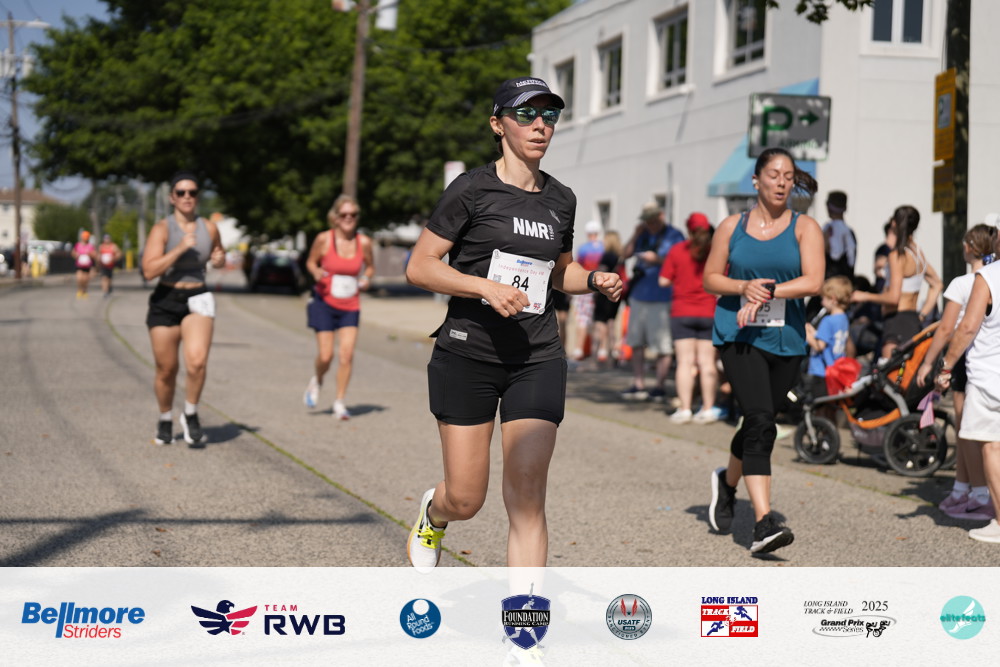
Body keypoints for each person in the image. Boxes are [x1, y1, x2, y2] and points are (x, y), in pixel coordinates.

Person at [403, 76, 622, 572]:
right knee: (465, 498)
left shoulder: (561, 199)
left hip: (536, 357)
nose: (540, 125)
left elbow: (560, 272)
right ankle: (434, 514)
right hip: (469, 354)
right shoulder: (471, 190)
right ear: (498, 124)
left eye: (550, 115)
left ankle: (526, 617)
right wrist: (484, 287)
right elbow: (420, 266)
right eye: (526, 114)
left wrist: (594, 279)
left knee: (527, 498)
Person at [703, 147, 824, 554]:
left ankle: (727, 483)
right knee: (758, 420)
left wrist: (768, 292)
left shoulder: (806, 227)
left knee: (760, 422)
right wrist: (743, 287)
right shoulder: (731, 226)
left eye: (788, 176)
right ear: (755, 180)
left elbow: (814, 282)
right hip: (739, 337)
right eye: (773, 175)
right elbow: (710, 278)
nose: (781, 182)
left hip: (786, 339)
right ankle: (763, 523)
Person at [917, 224, 997, 521]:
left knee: (972, 434)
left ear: (971, 247)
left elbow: (947, 328)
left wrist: (930, 362)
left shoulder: (969, 282)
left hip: (968, 360)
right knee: (972, 434)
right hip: (980, 359)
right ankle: (964, 489)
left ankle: (978, 494)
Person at [141, 171, 226, 446]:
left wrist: (219, 259)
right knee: (166, 369)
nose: (187, 197)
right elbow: (148, 271)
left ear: (197, 197)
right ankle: (165, 417)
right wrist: (179, 249)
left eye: (192, 192)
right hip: (166, 299)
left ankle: (190, 413)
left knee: (197, 362)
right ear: (172, 198)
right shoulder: (162, 229)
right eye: (181, 192)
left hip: (197, 297)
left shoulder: (208, 228)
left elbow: (218, 255)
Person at [935, 241, 1000, 543]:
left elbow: (968, 326)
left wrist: (946, 366)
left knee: (992, 447)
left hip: (990, 378)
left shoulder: (988, 276)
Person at [302, 195, 375, 420]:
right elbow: (310, 261)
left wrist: (366, 279)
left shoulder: (364, 242)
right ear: (335, 217)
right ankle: (317, 379)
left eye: (353, 214)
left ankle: (339, 402)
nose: (348, 218)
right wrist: (315, 271)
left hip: (350, 305)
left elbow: (370, 267)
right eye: (344, 214)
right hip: (324, 302)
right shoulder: (324, 239)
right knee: (326, 356)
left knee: (346, 355)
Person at [851, 205, 942, 362]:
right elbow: (937, 284)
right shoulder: (917, 253)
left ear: (894, 223)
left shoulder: (897, 255)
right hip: (912, 320)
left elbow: (893, 298)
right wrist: (922, 315)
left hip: (896, 321)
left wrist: (864, 296)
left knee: (890, 374)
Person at [621, 202, 685, 401]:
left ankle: (659, 386)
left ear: (660, 217)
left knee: (663, 345)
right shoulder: (642, 234)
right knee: (636, 342)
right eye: (646, 221)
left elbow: (681, 263)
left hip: (662, 296)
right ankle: (638, 383)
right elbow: (625, 254)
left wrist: (656, 260)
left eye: (652, 220)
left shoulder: (674, 235)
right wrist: (635, 234)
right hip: (639, 295)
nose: (649, 224)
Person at [658, 212, 718, 424]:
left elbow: (663, 281)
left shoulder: (677, 250)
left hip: (682, 312)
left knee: (685, 362)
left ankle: (685, 409)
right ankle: (708, 409)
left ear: (689, 230)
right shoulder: (715, 251)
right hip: (709, 311)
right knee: (707, 363)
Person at [804, 276, 852, 422]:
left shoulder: (827, 320)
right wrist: (813, 332)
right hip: (836, 369)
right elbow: (829, 339)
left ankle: (821, 432)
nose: (821, 302)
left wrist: (805, 334)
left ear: (833, 299)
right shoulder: (843, 318)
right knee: (831, 408)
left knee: (819, 408)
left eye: (823, 298)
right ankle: (830, 432)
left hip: (821, 371)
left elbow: (819, 346)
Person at [570, 220, 604, 360]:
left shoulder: (583, 249)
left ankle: (579, 349)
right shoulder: (603, 247)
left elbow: (578, 269)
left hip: (586, 288)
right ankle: (601, 350)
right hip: (601, 287)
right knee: (599, 320)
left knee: (582, 320)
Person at [592, 230, 626, 364]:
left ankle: (594, 358)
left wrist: (594, 291)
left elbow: (601, 274)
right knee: (611, 323)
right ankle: (613, 356)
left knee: (599, 324)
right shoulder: (619, 257)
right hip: (616, 292)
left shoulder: (606, 256)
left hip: (604, 293)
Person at [822, 191, 856, 279]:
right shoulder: (849, 232)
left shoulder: (830, 229)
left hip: (832, 281)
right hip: (844, 281)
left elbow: (835, 254)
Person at [72, 230, 97, 299]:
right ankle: (80, 290)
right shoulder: (78, 245)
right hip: (79, 265)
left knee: (85, 279)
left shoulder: (90, 246)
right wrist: (75, 255)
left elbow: (95, 255)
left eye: (86, 237)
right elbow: (73, 253)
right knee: (79, 278)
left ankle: (84, 291)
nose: (85, 238)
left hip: (87, 265)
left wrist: (91, 254)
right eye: (84, 237)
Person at [98, 233, 123, 298]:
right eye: (105, 238)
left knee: (109, 279)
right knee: (104, 278)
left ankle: (109, 288)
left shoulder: (113, 246)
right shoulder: (101, 246)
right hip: (103, 265)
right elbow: (98, 255)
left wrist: (114, 258)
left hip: (110, 265)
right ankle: (105, 292)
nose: (107, 240)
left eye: (108, 238)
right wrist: (99, 260)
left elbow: (119, 253)